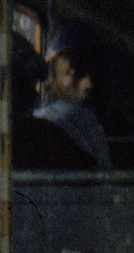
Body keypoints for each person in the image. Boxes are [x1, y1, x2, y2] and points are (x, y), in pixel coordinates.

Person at [15, 23, 114, 171]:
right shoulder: (49, 125)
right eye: (75, 73)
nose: (89, 83)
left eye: (94, 71)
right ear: (51, 77)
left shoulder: (96, 121)